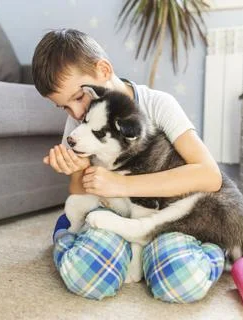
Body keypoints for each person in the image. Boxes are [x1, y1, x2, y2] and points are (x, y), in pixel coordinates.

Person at [32, 28, 225, 302]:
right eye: (64, 107)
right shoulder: (79, 121)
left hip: (164, 218)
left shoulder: (158, 105)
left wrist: (122, 184)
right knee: (86, 276)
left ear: (104, 69)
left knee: (181, 281)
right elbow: (80, 190)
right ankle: (71, 239)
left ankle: (214, 249)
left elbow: (209, 176)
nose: (76, 114)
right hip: (113, 214)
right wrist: (75, 168)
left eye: (77, 98)